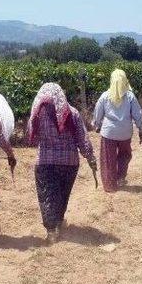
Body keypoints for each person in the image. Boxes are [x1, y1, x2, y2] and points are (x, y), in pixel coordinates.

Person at [28, 83, 97, 243]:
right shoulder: (72, 113)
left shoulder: (38, 113)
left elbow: (31, 134)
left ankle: (51, 229)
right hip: (69, 163)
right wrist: (90, 158)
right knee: (62, 194)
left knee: (47, 195)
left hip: (45, 161)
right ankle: (58, 221)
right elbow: (82, 138)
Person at [92, 69, 142, 192]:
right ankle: (120, 177)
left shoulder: (105, 95)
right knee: (125, 155)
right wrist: (141, 130)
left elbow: (98, 113)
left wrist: (97, 125)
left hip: (109, 133)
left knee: (108, 158)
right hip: (125, 133)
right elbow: (137, 114)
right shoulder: (130, 96)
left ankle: (110, 185)